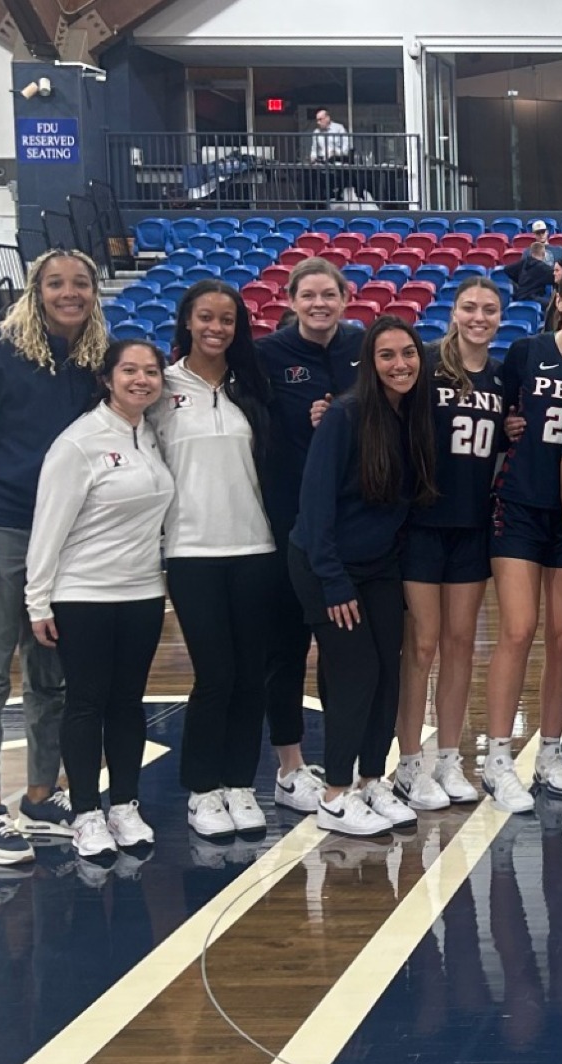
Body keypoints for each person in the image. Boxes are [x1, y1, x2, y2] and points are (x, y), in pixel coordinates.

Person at [0, 248, 103, 864]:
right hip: (0, 530)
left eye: (81, 283)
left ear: (94, 292)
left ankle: (42, 794)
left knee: (52, 677)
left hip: (64, 537)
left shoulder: (94, 360)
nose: (70, 293)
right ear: (36, 291)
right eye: (56, 283)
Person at [289, 316, 438, 837]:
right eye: (387, 355)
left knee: (387, 674)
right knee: (356, 674)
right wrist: (332, 581)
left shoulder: (412, 416)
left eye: (408, 354)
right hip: (326, 565)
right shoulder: (346, 415)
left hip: (379, 567)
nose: (400, 364)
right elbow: (314, 507)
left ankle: (373, 779)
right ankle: (334, 793)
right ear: (370, 364)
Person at [26, 339, 174, 857]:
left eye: (151, 371)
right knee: (87, 703)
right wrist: (38, 600)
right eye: (129, 370)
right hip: (83, 592)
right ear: (107, 378)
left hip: (142, 592)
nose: (141, 380)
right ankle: (87, 812)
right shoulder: (80, 442)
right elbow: (49, 525)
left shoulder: (152, 436)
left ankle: (125, 805)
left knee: (127, 702)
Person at [482, 265, 562, 812]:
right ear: (558, 300)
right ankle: (496, 757)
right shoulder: (526, 353)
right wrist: (511, 428)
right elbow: (504, 418)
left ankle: (552, 750)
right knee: (518, 629)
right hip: (520, 504)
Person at [154, 280, 279, 839]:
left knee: (252, 672)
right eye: (206, 317)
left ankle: (240, 784)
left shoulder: (252, 384)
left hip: (256, 546)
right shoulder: (160, 388)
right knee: (216, 673)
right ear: (186, 321)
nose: (216, 328)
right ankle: (202, 790)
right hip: (191, 550)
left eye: (227, 320)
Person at [392, 278, 508, 811]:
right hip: (420, 522)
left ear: (500, 318)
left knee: (461, 645)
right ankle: (408, 762)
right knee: (421, 645)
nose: (479, 317)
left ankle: (448, 757)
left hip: (471, 525)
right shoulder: (426, 364)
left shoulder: (502, 380)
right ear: (454, 312)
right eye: (470, 307)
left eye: (489, 309)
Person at [256, 256, 362, 813]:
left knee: (343, 648)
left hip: (348, 523)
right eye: (308, 296)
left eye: (329, 295)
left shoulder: (360, 348)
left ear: (346, 298)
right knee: (286, 645)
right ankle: (289, 765)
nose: (319, 304)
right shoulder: (268, 356)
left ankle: (347, 763)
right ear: (291, 302)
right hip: (284, 520)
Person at [511, 222, 562, 302]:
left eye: (543, 232)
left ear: (547, 232)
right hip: (535, 290)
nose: (541, 235)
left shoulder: (558, 250)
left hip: (555, 286)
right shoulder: (528, 252)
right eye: (538, 233)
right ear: (534, 235)